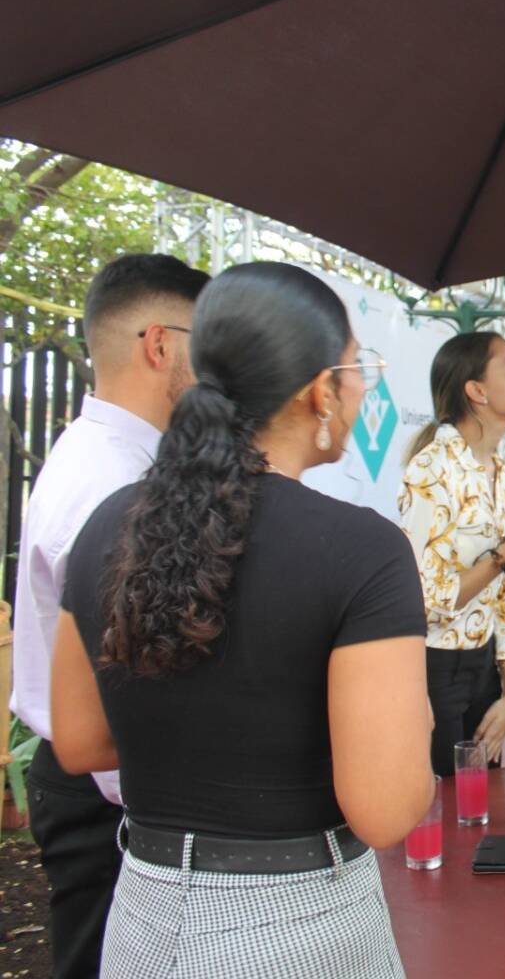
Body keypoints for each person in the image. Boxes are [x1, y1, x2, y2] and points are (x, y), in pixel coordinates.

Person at [49, 262, 433, 977]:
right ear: (322, 390)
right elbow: (385, 810)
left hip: (142, 914)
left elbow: (79, 741)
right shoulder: (361, 549)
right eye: (359, 368)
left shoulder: (108, 523)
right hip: (298, 924)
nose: (359, 388)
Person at [10, 254, 207, 979]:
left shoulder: (115, 457)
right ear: (160, 344)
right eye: (206, 339)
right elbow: (125, 676)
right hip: (105, 792)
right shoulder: (112, 481)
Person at [400, 332, 505, 775]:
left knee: (480, 812)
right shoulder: (432, 468)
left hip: (487, 667)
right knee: (446, 812)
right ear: (476, 391)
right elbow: (429, 600)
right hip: (435, 670)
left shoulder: (504, 474)